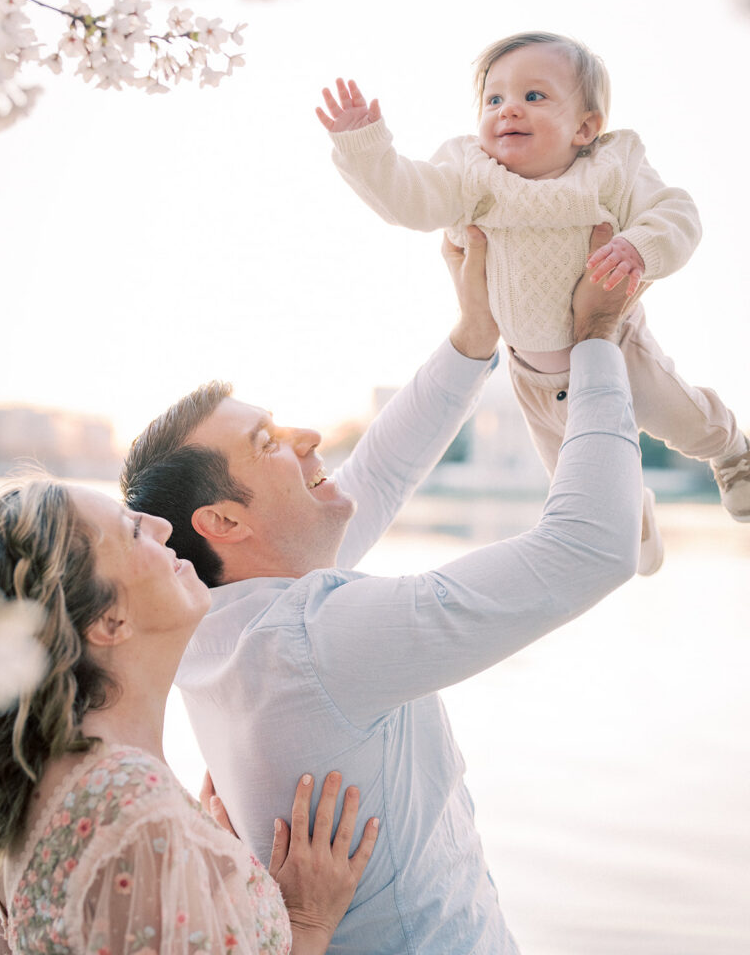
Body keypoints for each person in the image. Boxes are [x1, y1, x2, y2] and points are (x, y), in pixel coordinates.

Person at [120, 227, 642, 954]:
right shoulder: (317, 640)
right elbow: (592, 545)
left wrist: (472, 335)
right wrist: (597, 343)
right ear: (225, 521)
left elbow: (377, 479)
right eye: (268, 442)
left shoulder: (212, 618)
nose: (305, 436)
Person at [315, 30, 750, 575]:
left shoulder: (611, 171)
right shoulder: (472, 175)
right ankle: (635, 514)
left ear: (585, 127)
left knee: (682, 417)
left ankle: (732, 453)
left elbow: (677, 212)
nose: (508, 110)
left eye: (534, 96)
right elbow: (411, 198)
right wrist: (366, 148)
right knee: (578, 486)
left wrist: (640, 245)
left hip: (618, 347)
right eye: (494, 99)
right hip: (535, 378)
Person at [0, 477, 379, 955]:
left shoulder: (28, 786)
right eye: (131, 531)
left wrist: (212, 863)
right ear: (109, 622)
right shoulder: (138, 811)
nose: (163, 526)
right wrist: (306, 922)